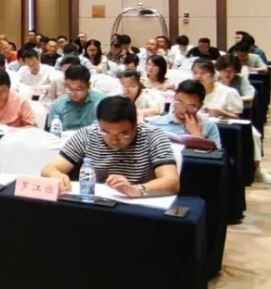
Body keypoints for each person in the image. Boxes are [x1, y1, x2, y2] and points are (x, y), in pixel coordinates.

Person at [41, 97, 179, 197]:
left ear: (135, 125)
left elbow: (172, 182)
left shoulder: (153, 136)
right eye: (105, 132)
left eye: (123, 134)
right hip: (98, 202)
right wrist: (56, 175)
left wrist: (136, 190)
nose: (114, 140)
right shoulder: (87, 134)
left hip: (139, 205)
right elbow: (48, 169)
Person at [146, 80, 221, 147]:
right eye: (180, 103)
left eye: (191, 106)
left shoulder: (209, 126)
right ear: (174, 98)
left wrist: (198, 136)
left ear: (199, 107)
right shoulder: (155, 124)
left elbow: (217, 156)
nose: (184, 109)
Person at [45, 64, 105, 131]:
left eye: (78, 89)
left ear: (88, 85)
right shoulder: (57, 105)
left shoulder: (102, 102)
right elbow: (52, 132)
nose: (73, 93)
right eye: (69, 88)